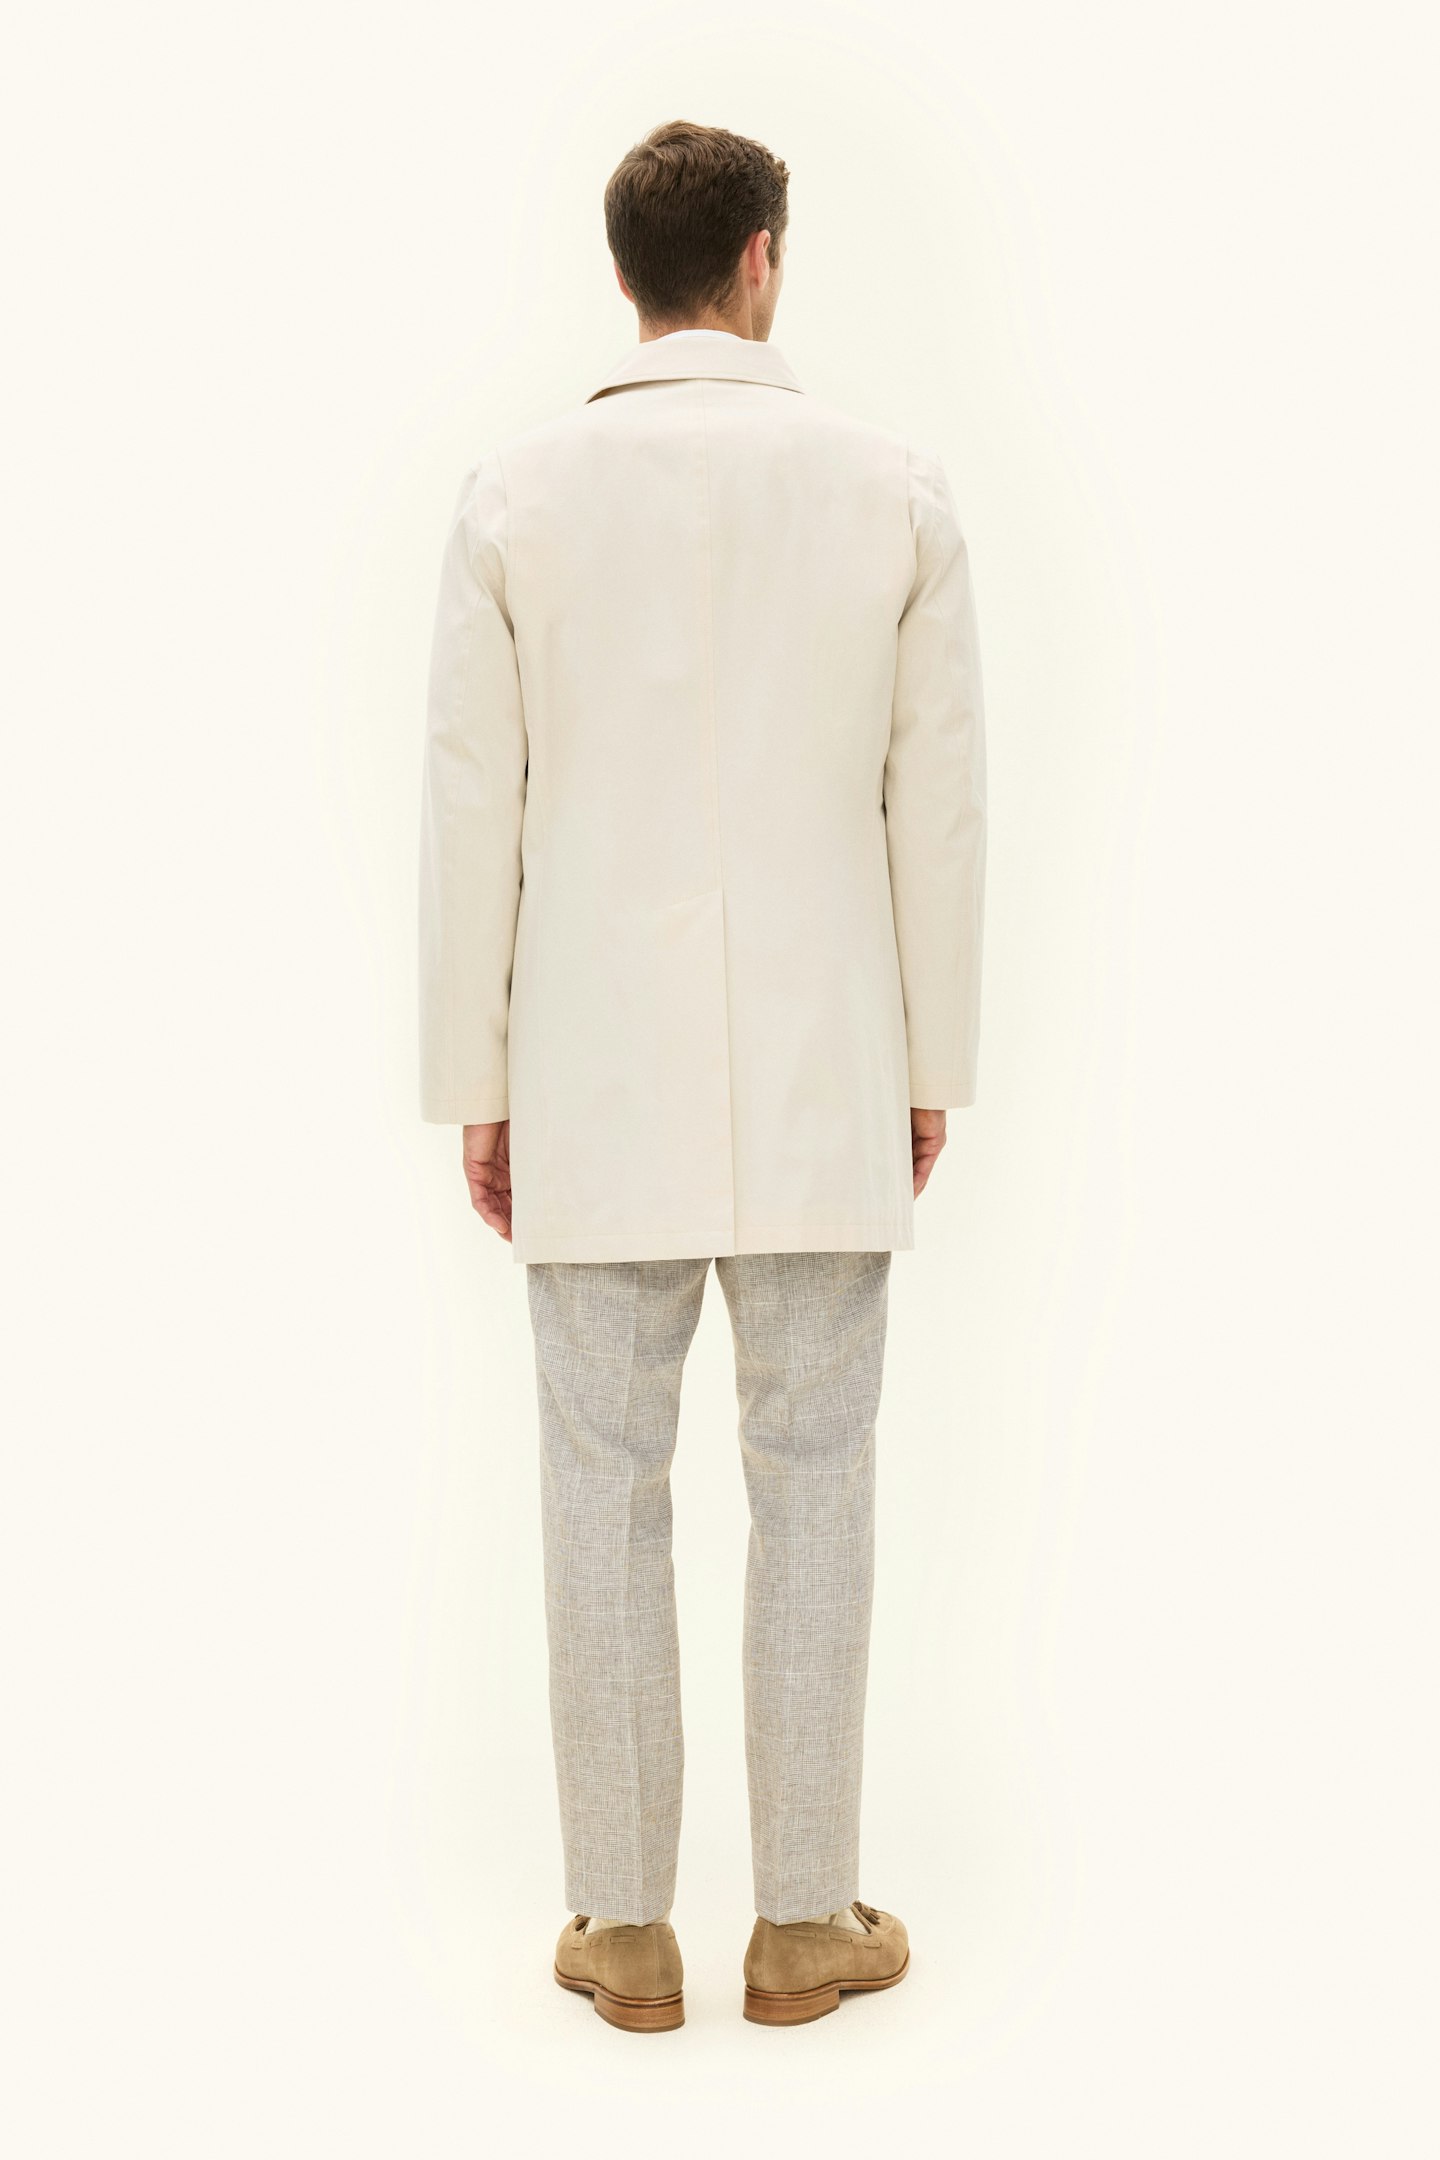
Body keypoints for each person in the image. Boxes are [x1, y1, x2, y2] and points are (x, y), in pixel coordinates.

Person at [418, 118, 987, 2032]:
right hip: (833, 1061)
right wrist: (931, 1056)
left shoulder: (517, 494)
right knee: (817, 1478)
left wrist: (478, 1078)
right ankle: (805, 1924)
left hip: (588, 1070)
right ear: (759, 257)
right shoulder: (893, 488)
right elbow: (938, 805)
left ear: (628, 273)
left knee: (601, 1486)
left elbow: (470, 812)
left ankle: (625, 1927)